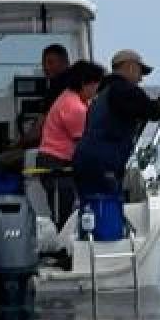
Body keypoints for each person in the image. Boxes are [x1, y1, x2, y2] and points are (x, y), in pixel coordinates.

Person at [72, 49, 160, 200]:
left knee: (90, 207)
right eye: (140, 72)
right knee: (107, 206)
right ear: (130, 66)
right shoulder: (122, 89)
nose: (141, 79)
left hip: (84, 161)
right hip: (103, 164)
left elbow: (131, 111)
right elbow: (152, 111)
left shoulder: (103, 91)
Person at [36, 60, 106, 229]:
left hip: (60, 161)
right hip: (55, 163)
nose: (97, 91)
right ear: (85, 83)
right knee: (63, 212)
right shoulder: (74, 106)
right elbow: (83, 143)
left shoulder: (72, 97)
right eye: (96, 85)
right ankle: (61, 248)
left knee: (67, 209)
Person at [40, 43, 71, 110]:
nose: (46, 67)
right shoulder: (53, 85)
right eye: (43, 63)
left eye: (50, 62)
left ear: (65, 63)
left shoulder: (71, 86)